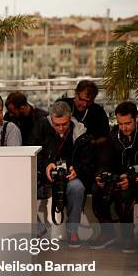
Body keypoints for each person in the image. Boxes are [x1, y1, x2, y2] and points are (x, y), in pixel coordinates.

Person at [91, 101, 138, 252]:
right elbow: (105, 161)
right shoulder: (113, 135)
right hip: (120, 177)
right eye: (120, 123)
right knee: (97, 189)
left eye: (128, 123)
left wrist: (130, 178)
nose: (124, 128)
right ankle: (107, 233)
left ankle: (128, 237)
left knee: (126, 191)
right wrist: (101, 175)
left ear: (137, 118)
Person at [29, 101, 94, 247]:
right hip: (44, 174)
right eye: (56, 124)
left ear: (70, 118)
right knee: (22, 186)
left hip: (71, 175)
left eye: (64, 124)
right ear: (51, 119)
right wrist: (46, 165)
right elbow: (32, 152)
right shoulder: (41, 127)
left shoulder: (80, 131)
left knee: (77, 188)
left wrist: (77, 170)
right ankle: (39, 229)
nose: (60, 128)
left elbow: (88, 160)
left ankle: (73, 231)